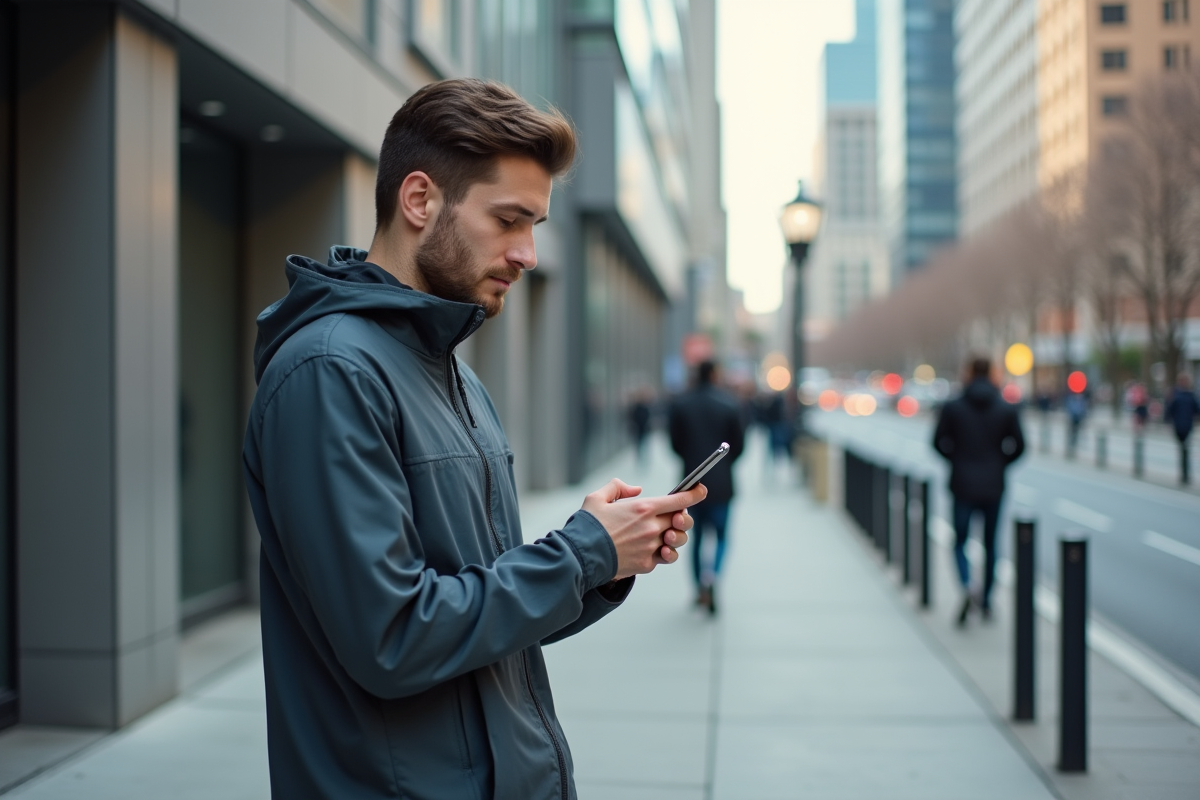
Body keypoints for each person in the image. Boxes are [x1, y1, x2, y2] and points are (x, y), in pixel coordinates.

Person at [242, 79, 704, 800]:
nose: (527, 253)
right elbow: (392, 638)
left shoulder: (453, 376)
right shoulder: (330, 372)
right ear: (421, 201)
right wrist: (579, 552)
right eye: (509, 220)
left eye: (536, 227)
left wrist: (604, 560)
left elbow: (480, 617)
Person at [932, 357, 1025, 625]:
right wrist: (999, 463)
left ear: (969, 373)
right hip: (993, 485)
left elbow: (938, 442)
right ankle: (986, 601)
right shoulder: (1005, 408)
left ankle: (966, 584)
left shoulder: (953, 407)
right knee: (990, 543)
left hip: (962, 483)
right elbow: (1019, 446)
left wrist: (957, 460)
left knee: (960, 540)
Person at [668, 361, 745, 614]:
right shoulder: (729, 404)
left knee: (696, 537)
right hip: (722, 484)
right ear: (714, 375)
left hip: (691, 486)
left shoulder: (681, 404)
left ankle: (699, 587)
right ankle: (713, 577)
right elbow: (739, 446)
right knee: (722, 537)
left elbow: (675, 445)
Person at [1164, 373, 1200, 484]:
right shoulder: (1176, 394)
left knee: (1185, 449)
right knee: (1183, 449)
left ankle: (1185, 475)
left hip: (1187, 426)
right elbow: (1170, 409)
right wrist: (1167, 422)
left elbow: (1197, 409)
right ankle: (1184, 474)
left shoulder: (1190, 395)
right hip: (1179, 426)